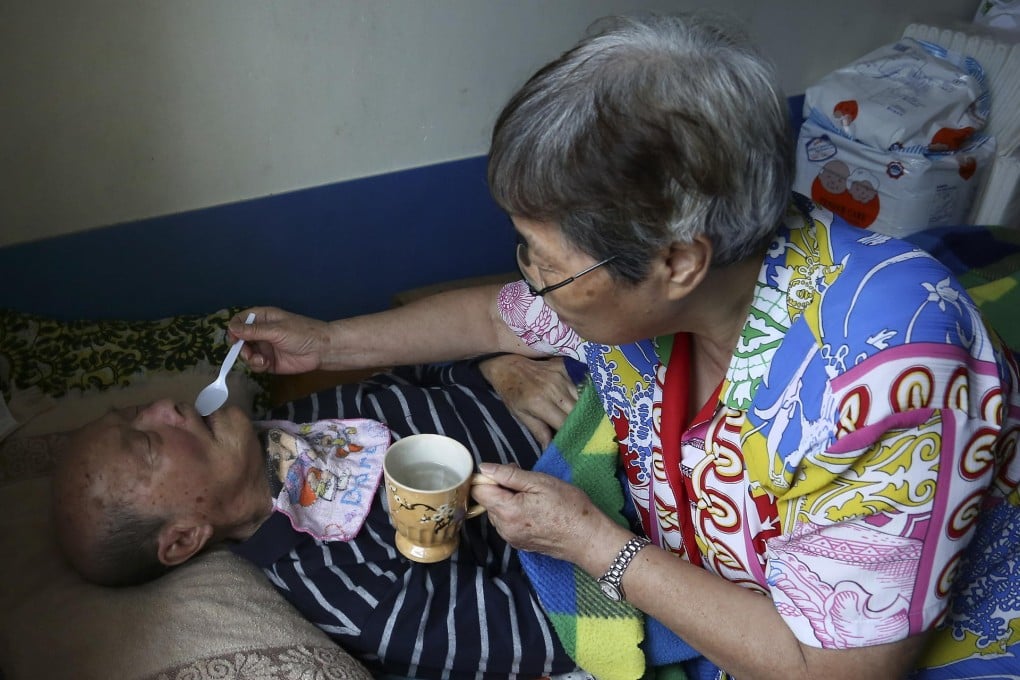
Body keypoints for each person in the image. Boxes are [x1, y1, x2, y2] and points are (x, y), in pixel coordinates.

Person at [227, 11, 1020, 680]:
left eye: (548, 260)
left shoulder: (886, 376)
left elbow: (835, 670)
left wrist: (595, 544)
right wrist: (325, 344)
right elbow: (494, 320)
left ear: (678, 262)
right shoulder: (666, 291)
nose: (531, 278)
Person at [51, 355, 586, 679]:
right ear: (184, 538)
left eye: (135, 412)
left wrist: (495, 370)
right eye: (147, 443)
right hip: (612, 485)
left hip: (575, 384)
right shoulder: (349, 588)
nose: (164, 407)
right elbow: (564, 630)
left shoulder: (294, 424)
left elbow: (416, 376)